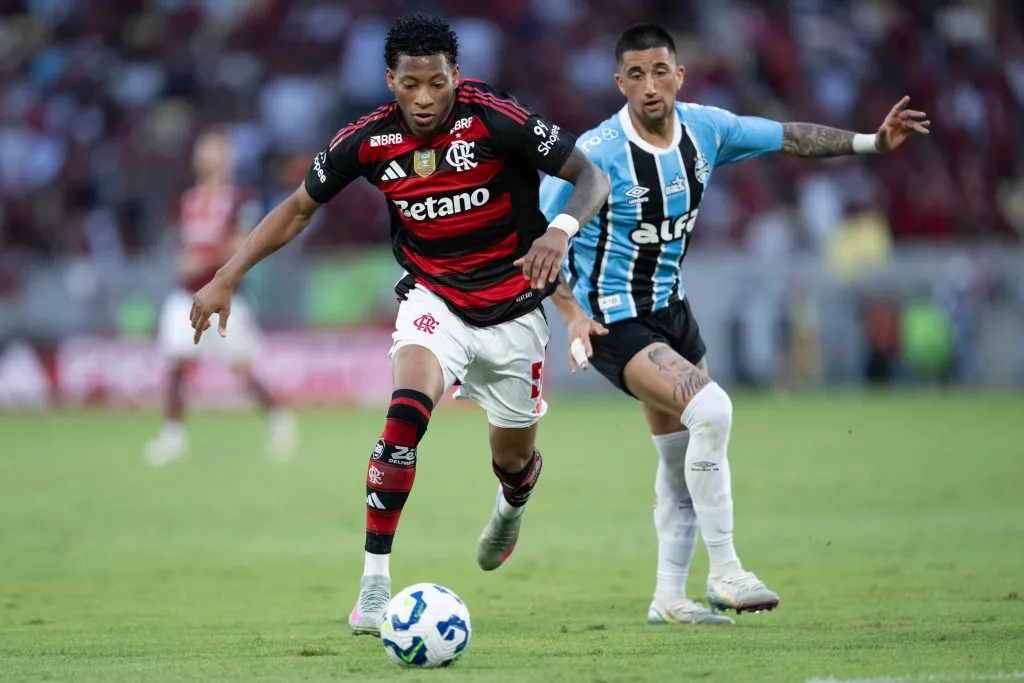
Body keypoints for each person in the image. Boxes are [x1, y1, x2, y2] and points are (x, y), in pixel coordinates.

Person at [189, 14, 609, 636]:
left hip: (515, 310)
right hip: (432, 299)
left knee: (513, 458)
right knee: (404, 418)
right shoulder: (367, 140)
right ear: (390, 80)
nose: (423, 99)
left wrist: (558, 230)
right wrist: (228, 274)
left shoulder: (496, 118)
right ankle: (375, 587)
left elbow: (590, 177)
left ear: (455, 77)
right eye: (410, 84)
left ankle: (512, 502)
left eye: (436, 84)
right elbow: (300, 207)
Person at [540, 24, 929, 625]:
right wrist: (570, 315)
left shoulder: (707, 128)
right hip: (614, 322)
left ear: (680, 73)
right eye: (636, 75)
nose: (650, 86)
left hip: (673, 311)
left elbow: (790, 137)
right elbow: (538, 244)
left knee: (679, 459)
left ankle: (669, 597)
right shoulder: (595, 153)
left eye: (660, 70)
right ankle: (725, 571)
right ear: (620, 83)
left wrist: (870, 144)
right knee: (713, 410)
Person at [146, 127, 296, 467]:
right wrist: (184, 262)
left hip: (226, 297)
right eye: (202, 149)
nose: (205, 155)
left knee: (242, 370)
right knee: (176, 363)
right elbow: (181, 248)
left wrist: (202, 258)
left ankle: (279, 418)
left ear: (227, 157)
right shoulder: (186, 200)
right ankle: (172, 437)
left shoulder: (241, 199)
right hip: (186, 296)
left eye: (212, 149)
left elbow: (242, 243)